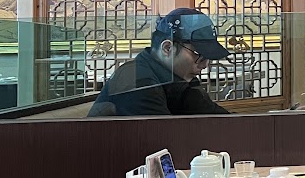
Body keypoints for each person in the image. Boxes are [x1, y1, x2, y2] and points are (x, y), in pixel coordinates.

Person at [89, 7, 230, 116]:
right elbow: (163, 139)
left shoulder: (178, 79)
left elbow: (218, 119)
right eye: (199, 55)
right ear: (167, 48)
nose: (205, 64)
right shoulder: (137, 81)